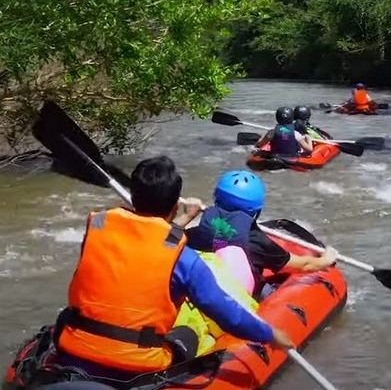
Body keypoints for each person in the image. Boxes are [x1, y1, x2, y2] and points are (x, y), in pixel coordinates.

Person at [53, 157, 292, 379]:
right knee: (187, 333)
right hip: (137, 364)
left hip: (74, 348)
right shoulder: (185, 260)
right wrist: (269, 334)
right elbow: (227, 314)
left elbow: (143, 242)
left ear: (134, 197)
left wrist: (180, 220)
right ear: (174, 207)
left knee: (67, 315)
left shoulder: (97, 227)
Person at [187, 170, 339, 299]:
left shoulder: (196, 232)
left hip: (198, 290)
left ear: (216, 199)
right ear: (255, 211)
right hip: (236, 298)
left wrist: (186, 216)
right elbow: (303, 265)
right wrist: (326, 260)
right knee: (273, 287)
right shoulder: (258, 241)